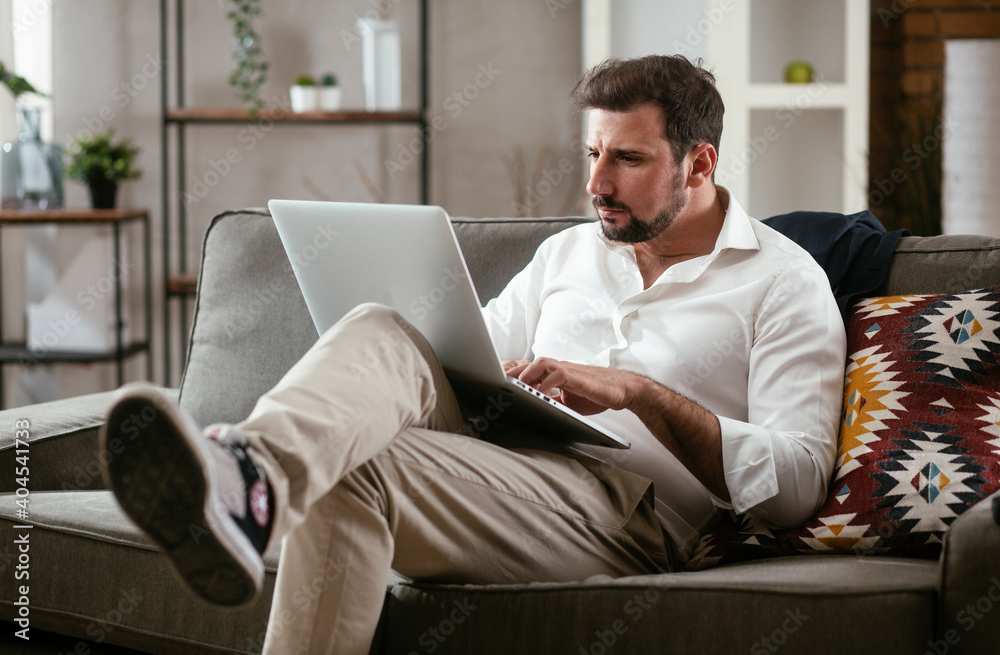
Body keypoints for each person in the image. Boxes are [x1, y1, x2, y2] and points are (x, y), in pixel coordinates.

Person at [101, 55, 846, 654]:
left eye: (626, 158)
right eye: (591, 154)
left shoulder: (782, 283)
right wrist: (474, 370)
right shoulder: (569, 254)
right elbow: (460, 359)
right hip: (512, 454)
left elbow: (799, 484)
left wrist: (638, 393)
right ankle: (250, 476)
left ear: (698, 163)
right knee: (386, 328)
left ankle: (252, 491)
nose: (595, 184)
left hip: (632, 513)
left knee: (358, 471)